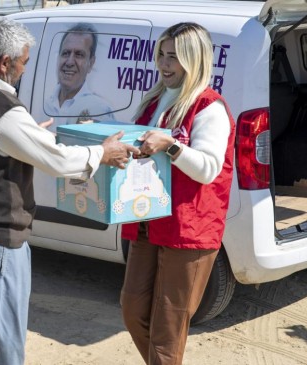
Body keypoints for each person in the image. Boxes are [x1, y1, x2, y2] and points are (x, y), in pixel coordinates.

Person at [0, 17, 139, 365]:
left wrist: (25, 136)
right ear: (4, 63)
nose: (24, 69)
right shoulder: (0, 110)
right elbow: (57, 161)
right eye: (23, 61)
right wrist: (102, 152)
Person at [119, 22, 236, 365]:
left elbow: (208, 168)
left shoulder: (209, 106)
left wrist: (170, 146)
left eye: (174, 57)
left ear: (195, 60)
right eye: (162, 55)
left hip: (189, 229)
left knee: (167, 332)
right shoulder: (155, 98)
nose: (164, 64)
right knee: (132, 309)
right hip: (147, 219)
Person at [44, 23, 115, 127]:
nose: (69, 62)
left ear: (91, 63)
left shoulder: (100, 110)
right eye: (66, 53)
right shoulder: (45, 104)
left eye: (79, 55)